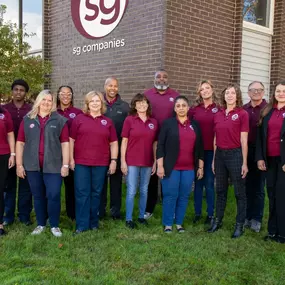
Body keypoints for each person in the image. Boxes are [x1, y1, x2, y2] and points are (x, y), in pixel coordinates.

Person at [16, 90, 69, 237]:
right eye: (44, 100)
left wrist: (65, 164)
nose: (46, 103)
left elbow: (65, 144)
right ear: (38, 101)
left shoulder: (59, 120)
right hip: (32, 165)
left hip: (54, 165)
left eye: (50, 100)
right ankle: (40, 223)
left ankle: (54, 225)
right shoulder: (28, 119)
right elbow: (20, 143)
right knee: (37, 195)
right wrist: (19, 165)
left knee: (54, 194)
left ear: (53, 103)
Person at [70, 91, 118, 234]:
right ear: (87, 104)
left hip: (101, 162)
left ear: (102, 104)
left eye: (98, 101)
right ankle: (82, 225)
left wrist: (114, 161)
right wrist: (70, 159)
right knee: (82, 193)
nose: (95, 103)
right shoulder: (79, 119)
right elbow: (71, 140)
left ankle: (93, 223)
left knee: (96, 193)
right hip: (81, 162)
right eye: (92, 101)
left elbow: (114, 143)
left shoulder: (107, 122)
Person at [156, 96, 204, 233]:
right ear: (175, 108)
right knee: (170, 195)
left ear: (188, 108)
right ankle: (168, 223)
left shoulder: (194, 125)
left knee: (184, 195)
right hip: (171, 167)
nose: (181, 108)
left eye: (184, 105)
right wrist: (160, 165)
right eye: (178, 106)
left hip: (189, 168)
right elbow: (160, 146)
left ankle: (179, 222)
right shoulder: (168, 124)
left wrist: (200, 167)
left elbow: (200, 147)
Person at [208, 84, 249, 238]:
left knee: (239, 192)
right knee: (220, 190)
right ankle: (217, 221)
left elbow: (244, 140)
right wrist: (213, 159)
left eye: (233, 93)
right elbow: (215, 138)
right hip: (220, 155)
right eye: (227, 93)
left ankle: (240, 224)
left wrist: (244, 162)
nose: (230, 95)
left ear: (237, 96)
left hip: (235, 154)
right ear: (223, 95)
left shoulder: (242, 114)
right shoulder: (218, 114)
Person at [144, 70, 180, 220]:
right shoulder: (147, 95)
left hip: (169, 141)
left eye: (165, 77)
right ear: (154, 79)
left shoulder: (175, 95)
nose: (162, 79)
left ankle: (169, 207)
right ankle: (149, 209)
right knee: (152, 175)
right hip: (150, 140)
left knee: (168, 174)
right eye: (159, 76)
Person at [121, 93, 158, 229]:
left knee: (144, 190)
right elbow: (124, 141)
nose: (142, 105)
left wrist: (155, 161)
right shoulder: (129, 120)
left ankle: (141, 217)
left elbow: (155, 143)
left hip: (147, 161)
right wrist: (122, 161)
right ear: (134, 106)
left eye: (144, 102)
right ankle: (129, 218)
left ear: (148, 104)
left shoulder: (153, 122)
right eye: (139, 102)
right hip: (131, 161)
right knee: (131, 190)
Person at [256, 80, 285, 243]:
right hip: (269, 160)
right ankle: (272, 231)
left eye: (284, 91)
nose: (281, 94)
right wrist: (260, 157)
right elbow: (261, 137)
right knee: (272, 194)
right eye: (278, 91)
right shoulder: (268, 111)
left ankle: (283, 233)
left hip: (283, 161)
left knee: (282, 196)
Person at [100, 77, 129, 220]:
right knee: (101, 181)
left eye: (115, 86)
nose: (113, 88)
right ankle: (101, 210)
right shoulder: (98, 103)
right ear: (105, 86)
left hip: (116, 150)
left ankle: (115, 211)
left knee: (116, 182)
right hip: (100, 150)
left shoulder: (124, 107)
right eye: (110, 85)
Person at [4, 79, 32, 226]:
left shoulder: (32, 109)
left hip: (27, 152)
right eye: (16, 89)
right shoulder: (4, 109)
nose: (18, 92)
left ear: (25, 93)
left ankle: (24, 215)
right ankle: (8, 216)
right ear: (12, 91)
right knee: (8, 185)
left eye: (21, 90)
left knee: (25, 185)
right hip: (8, 153)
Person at [189, 80, 218, 225]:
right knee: (198, 182)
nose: (205, 91)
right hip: (197, 151)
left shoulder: (218, 109)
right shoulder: (194, 110)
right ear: (199, 93)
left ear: (212, 90)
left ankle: (211, 214)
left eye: (207, 88)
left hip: (212, 151)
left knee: (209, 182)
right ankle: (198, 212)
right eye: (202, 89)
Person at [243, 81, 267, 232]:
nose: (256, 92)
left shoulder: (268, 109)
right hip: (245, 150)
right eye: (253, 90)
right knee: (246, 186)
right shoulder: (244, 109)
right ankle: (246, 216)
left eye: (259, 90)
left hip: (261, 152)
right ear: (248, 92)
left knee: (258, 187)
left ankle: (256, 218)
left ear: (263, 92)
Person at [57, 85, 83, 221]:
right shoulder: (52, 111)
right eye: (63, 93)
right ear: (58, 95)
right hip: (55, 153)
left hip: (72, 153)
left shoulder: (78, 112)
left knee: (71, 185)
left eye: (69, 94)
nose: (66, 96)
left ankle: (72, 213)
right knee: (54, 186)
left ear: (72, 96)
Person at [0, 106, 15, 235]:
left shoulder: (4, 113)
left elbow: (10, 134)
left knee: (0, 190)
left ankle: (0, 224)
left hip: (3, 155)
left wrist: (13, 154)